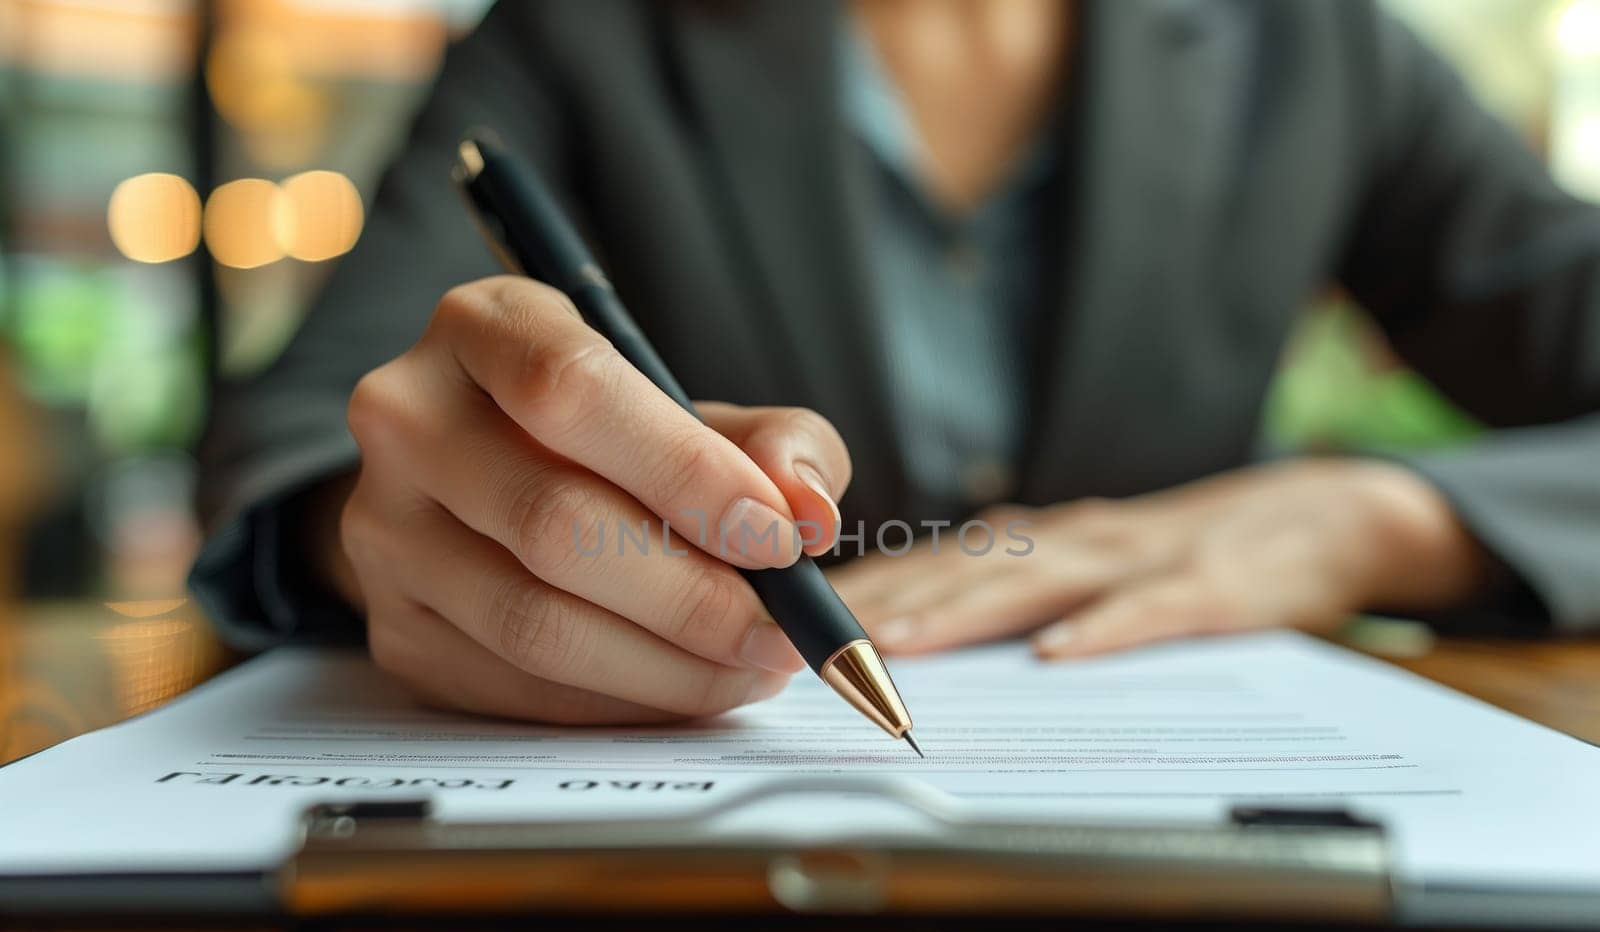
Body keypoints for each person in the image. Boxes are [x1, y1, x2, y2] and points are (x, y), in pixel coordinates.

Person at [195, 0, 1600, 724]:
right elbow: (319, 428)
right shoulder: (580, 35)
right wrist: (385, 528)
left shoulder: (1314, 42)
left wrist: (1381, 522)